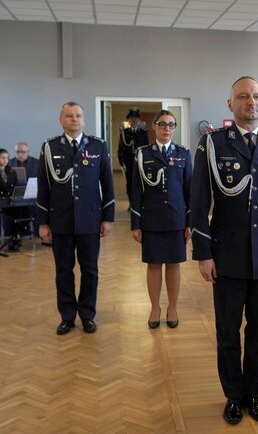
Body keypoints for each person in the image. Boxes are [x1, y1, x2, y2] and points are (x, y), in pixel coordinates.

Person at [190, 76, 258, 425]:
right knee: (228, 332)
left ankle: (254, 393)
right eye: (243, 96)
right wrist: (203, 253)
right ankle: (233, 395)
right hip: (227, 255)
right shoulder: (212, 144)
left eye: (256, 96)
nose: (251, 102)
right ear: (230, 104)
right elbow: (199, 203)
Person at [37, 102, 115, 335]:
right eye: (69, 115)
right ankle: (67, 316)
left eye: (78, 115)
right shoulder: (49, 147)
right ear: (61, 120)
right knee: (63, 270)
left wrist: (107, 218)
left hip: (90, 219)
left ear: (84, 119)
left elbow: (107, 185)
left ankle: (87, 315)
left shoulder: (98, 146)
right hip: (60, 220)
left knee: (90, 270)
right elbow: (43, 187)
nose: (74, 119)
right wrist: (43, 222)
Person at [130, 110, 191, 329]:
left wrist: (189, 223)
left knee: (173, 264)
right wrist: (135, 223)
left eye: (171, 125)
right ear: (154, 126)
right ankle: (155, 308)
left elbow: (189, 190)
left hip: (176, 218)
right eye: (162, 124)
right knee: (154, 265)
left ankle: (172, 307)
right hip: (151, 219)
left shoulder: (183, 154)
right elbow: (136, 190)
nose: (167, 129)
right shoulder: (142, 154)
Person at [118, 107, 149, 204]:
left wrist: (146, 162)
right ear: (128, 120)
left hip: (140, 162)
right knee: (130, 183)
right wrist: (121, 163)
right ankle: (131, 203)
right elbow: (120, 148)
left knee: (141, 183)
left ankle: (140, 203)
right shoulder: (124, 133)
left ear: (139, 120)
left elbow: (146, 148)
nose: (133, 120)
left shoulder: (143, 133)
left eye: (135, 118)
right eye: (131, 118)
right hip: (128, 163)